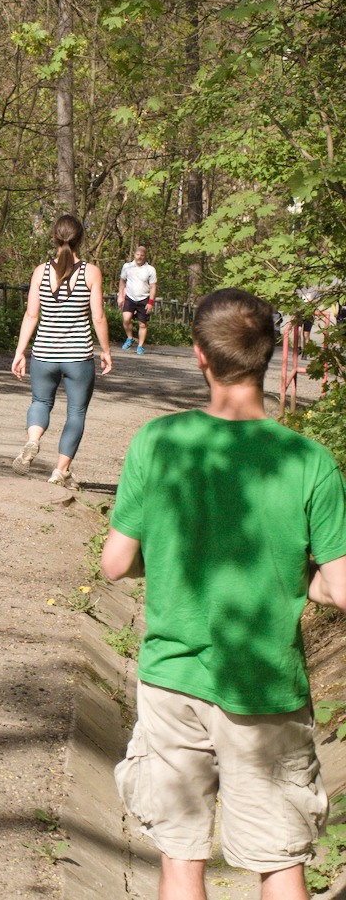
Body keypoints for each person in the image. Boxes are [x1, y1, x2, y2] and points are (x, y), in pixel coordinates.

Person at [102, 288, 346, 900]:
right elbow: (340, 587)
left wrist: (167, 558)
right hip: (266, 688)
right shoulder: (310, 461)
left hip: (172, 679)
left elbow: (115, 564)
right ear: (272, 353)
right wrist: (300, 578)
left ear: (199, 355)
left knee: (181, 860)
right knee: (280, 863)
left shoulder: (157, 442)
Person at [11, 214, 113, 489]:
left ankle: (33, 440)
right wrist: (106, 350)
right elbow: (98, 317)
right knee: (76, 412)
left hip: (44, 354)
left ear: (54, 237)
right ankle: (60, 471)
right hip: (78, 356)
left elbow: (31, 315)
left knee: (40, 402)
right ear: (81, 239)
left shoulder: (40, 272)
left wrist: (20, 352)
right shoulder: (90, 273)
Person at [117, 245, 158, 355]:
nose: (139, 257)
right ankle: (130, 338)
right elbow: (122, 281)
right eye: (137, 255)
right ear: (134, 254)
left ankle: (140, 346)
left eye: (142, 255)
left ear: (145, 256)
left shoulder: (150, 269)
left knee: (142, 324)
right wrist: (120, 296)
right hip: (130, 297)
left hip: (144, 298)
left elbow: (153, 286)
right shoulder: (127, 267)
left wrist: (151, 302)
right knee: (126, 319)